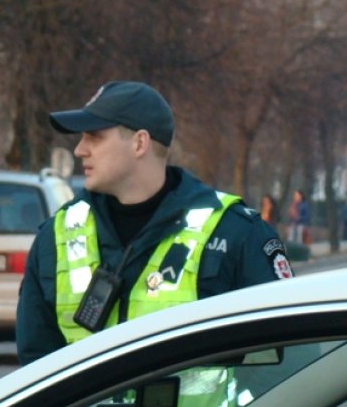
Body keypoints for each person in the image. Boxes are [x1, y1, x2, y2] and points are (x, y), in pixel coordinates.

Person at [16, 81, 293, 366]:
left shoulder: (236, 233)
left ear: (139, 143)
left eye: (94, 137)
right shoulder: (56, 237)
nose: (79, 150)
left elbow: (282, 360)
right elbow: (35, 366)